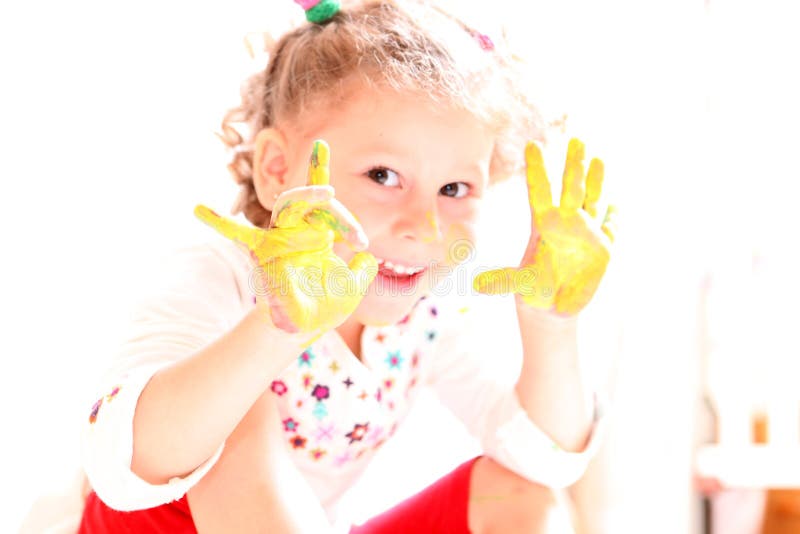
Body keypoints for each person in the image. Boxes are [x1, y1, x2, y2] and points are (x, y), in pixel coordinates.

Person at [78, 0, 616, 532]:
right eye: (382, 175)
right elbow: (123, 464)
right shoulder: (219, 275)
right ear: (278, 169)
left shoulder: (427, 315)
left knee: (522, 497)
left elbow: (545, 458)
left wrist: (551, 326)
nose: (423, 226)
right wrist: (275, 329)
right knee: (242, 416)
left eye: (453, 188)